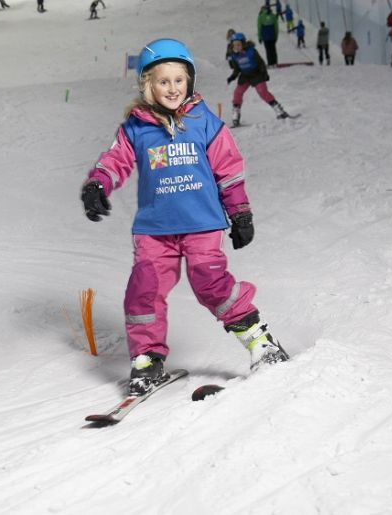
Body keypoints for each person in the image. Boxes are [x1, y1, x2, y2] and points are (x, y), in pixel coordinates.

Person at [80, 38, 289, 395]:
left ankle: (260, 342)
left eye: (179, 80)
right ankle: (146, 358)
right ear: (148, 84)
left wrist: (239, 213)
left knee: (210, 282)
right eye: (163, 81)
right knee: (144, 289)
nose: (172, 88)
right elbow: (115, 160)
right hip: (154, 228)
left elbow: (229, 170)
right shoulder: (135, 127)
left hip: (201, 223)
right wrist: (97, 184)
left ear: (189, 81)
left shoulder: (204, 122)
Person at [226, 33, 290, 126]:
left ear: (243, 44)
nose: (237, 47)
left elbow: (261, 63)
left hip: (256, 74)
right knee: (237, 93)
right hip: (245, 76)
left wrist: (264, 73)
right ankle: (236, 114)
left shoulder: (251, 51)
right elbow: (237, 69)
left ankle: (279, 111)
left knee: (262, 92)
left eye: (239, 44)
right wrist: (232, 77)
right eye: (234, 45)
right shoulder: (234, 55)